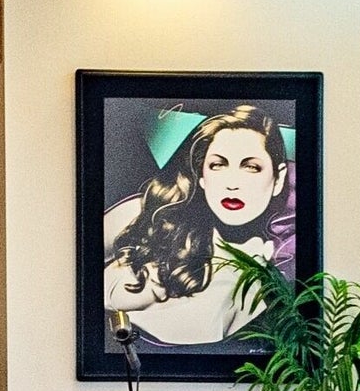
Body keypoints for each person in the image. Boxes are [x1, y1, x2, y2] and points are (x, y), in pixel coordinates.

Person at [100, 104, 296, 349]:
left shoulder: (269, 283)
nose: (232, 183)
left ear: (277, 180)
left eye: (251, 167)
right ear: (202, 176)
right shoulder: (149, 213)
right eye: (218, 165)